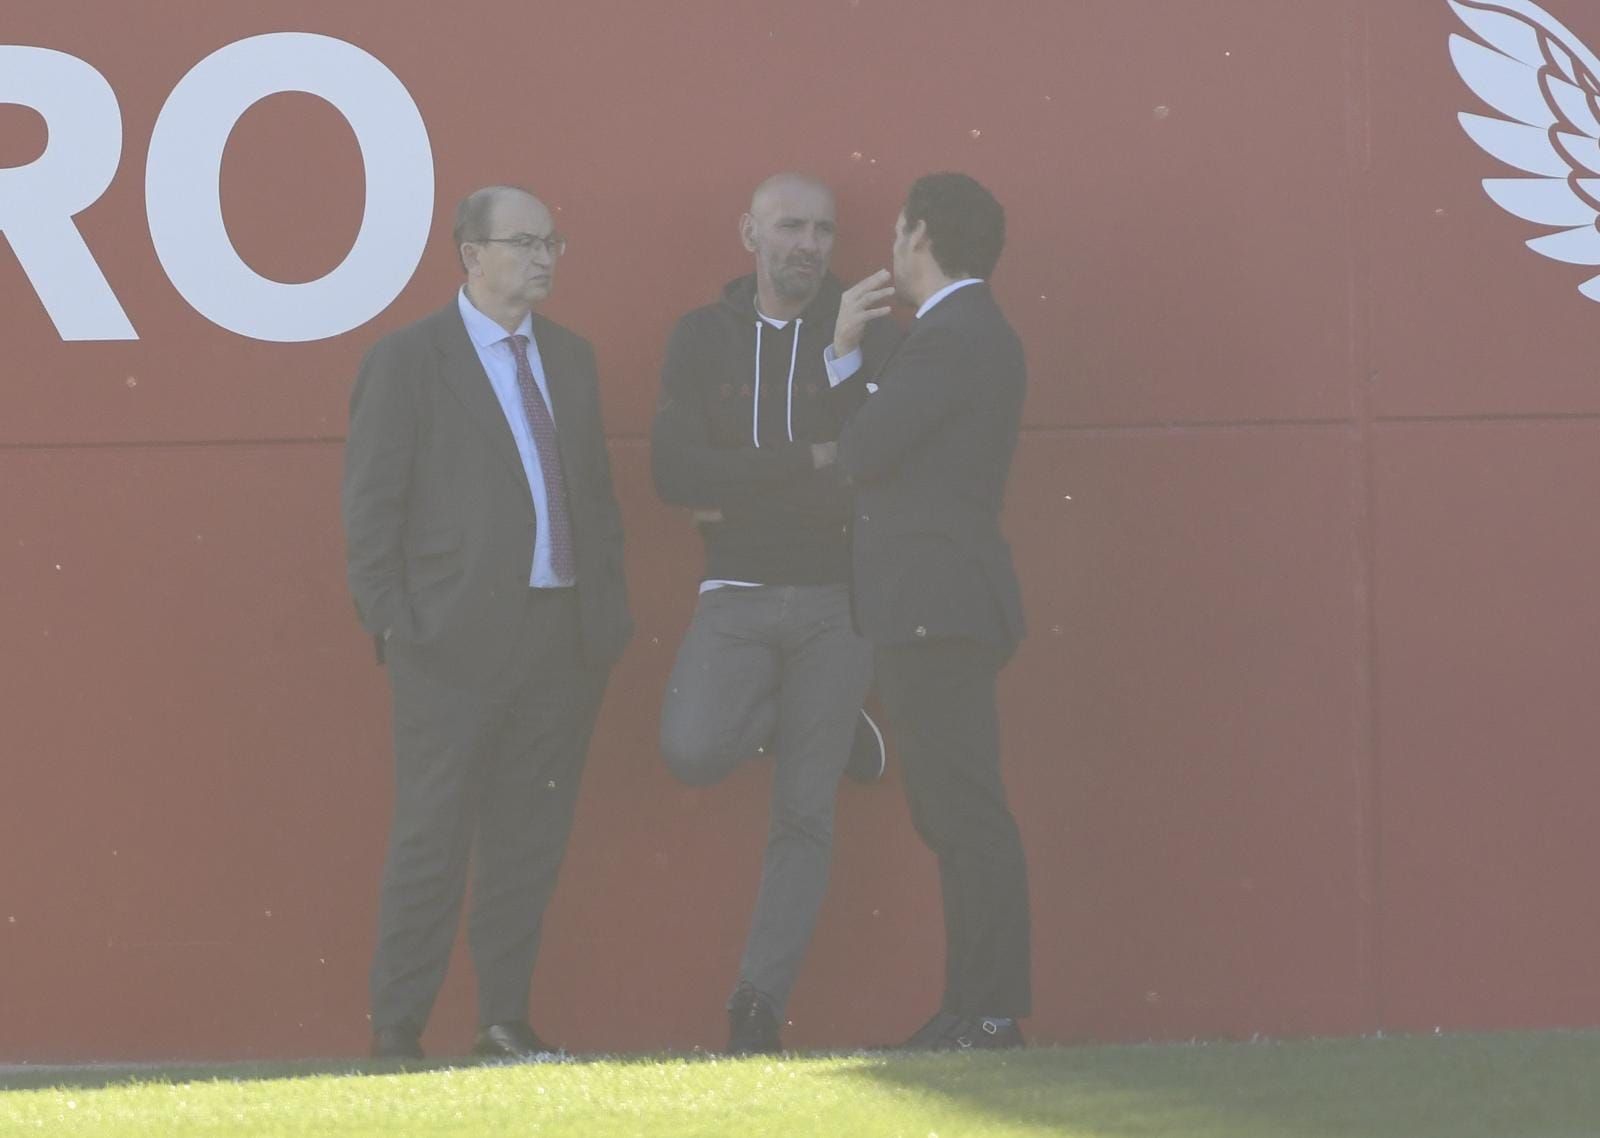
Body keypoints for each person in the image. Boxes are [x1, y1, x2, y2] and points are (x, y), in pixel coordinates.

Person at [342, 185, 632, 1061]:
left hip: (560, 641)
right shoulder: (410, 359)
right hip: (451, 645)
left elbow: (594, 497)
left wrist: (605, 619)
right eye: (525, 243)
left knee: (527, 841)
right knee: (432, 836)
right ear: (472, 254)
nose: (544, 258)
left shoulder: (571, 358)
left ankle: (503, 1023)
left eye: (554, 242)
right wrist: (397, 626)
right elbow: (371, 510)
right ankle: (397, 1033)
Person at [651, 172, 899, 1054]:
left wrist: (836, 367)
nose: (809, 243)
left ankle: (757, 1005)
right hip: (737, 592)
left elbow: (866, 468)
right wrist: (806, 467)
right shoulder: (700, 337)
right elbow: (675, 474)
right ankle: (828, 732)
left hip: (840, 599)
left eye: (823, 230)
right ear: (748, 232)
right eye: (790, 225)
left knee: (803, 813)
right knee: (690, 749)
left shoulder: (868, 331)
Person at [834, 172, 1031, 1050]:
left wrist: (843, 353)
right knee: (955, 813)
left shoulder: (950, 334)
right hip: (940, 603)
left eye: (896, 231)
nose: (889, 249)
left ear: (920, 236)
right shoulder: (959, 331)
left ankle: (985, 1013)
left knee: (964, 814)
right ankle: (973, 1009)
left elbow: (866, 451)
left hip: (933, 605)